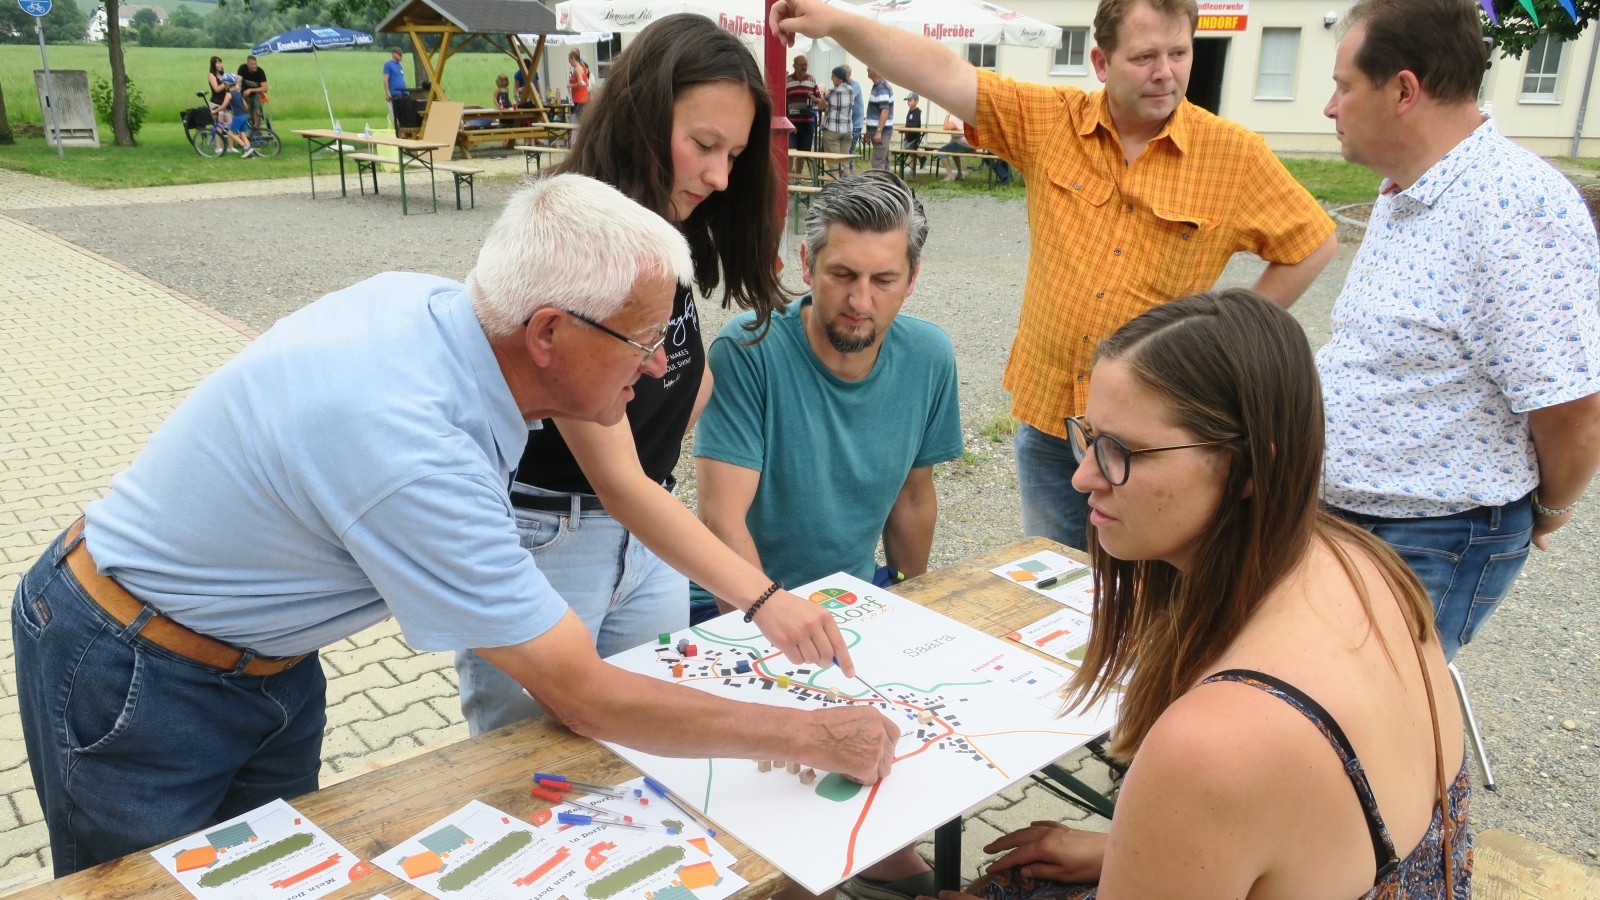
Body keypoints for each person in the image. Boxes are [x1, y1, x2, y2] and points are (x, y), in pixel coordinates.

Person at [11, 174, 899, 879]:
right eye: (641, 339)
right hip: (136, 669)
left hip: (264, 664)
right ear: (549, 329)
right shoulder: (411, 447)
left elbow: (626, 485)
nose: (661, 363)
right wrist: (811, 736)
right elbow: (582, 691)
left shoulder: (444, 312)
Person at [949, 290, 1470, 899]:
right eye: (1089, 437)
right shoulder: (1362, 562)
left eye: (1123, 452)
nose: (1083, 475)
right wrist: (1135, 851)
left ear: (1250, 469)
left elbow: (1241, 784)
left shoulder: (1213, 744)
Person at [770, 0, 1338, 553]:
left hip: (1152, 435)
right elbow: (942, 71)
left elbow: (1311, 242)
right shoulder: (1052, 121)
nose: (1165, 72)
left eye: (1179, 53)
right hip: (1050, 419)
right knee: (1058, 586)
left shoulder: (1232, 156)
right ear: (1101, 63)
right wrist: (838, 21)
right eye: (1144, 57)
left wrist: (1222, 341)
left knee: (1150, 595)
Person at [453, 14, 857, 745]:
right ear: (642, 116)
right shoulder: (585, 238)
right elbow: (617, 480)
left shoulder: (661, 228)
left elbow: (682, 377)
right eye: (704, 145)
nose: (720, 176)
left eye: (734, 154)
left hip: (646, 543)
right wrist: (763, 599)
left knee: (647, 761)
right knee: (530, 771)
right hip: (551, 536)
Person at [693, 170, 959, 900]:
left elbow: (913, 493)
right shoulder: (747, 351)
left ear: (912, 278)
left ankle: (877, 854)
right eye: (841, 274)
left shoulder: (930, 356)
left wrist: (913, 596)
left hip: (850, 594)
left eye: (883, 278)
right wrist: (764, 619)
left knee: (912, 734)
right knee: (773, 789)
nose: (860, 299)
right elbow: (722, 517)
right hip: (729, 603)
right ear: (805, 268)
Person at [1317, 0, 1600, 661]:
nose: (1330, 107)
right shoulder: (1408, 189)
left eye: (1344, 86)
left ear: (1404, 90)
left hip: (1433, 536)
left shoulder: (1514, 207)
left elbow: (1572, 408)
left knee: (1370, 722)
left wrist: (1550, 511)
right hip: (1363, 522)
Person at [786, 53, 822, 166]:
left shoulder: (812, 79)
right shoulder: (787, 80)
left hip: (807, 121)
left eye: (806, 65)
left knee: (803, 152)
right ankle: (789, 178)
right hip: (792, 123)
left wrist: (814, 98)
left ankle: (798, 177)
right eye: (801, 65)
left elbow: (819, 100)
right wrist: (788, 121)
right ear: (794, 66)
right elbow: (783, 102)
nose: (804, 67)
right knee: (790, 151)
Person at [819, 66, 855, 177]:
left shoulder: (833, 91)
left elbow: (821, 106)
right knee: (845, 161)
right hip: (847, 129)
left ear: (838, 78)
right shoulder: (851, 90)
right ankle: (848, 186)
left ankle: (836, 187)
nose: (831, 79)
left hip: (832, 129)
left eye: (832, 76)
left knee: (834, 163)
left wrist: (819, 99)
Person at [208, 73, 255, 157]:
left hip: (238, 117)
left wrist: (215, 111)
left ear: (227, 84)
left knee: (230, 133)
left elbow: (223, 106)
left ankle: (246, 148)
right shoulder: (238, 93)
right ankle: (249, 151)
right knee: (243, 135)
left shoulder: (228, 94)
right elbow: (246, 106)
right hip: (245, 116)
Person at [865, 67, 894, 171]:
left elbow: (885, 111)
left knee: (878, 164)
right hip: (879, 131)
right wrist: (869, 131)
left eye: (869, 67)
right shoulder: (878, 86)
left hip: (882, 132)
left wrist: (878, 131)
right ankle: (888, 185)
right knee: (883, 162)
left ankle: (879, 185)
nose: (867, 70)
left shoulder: (882, 87)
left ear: (875, 71)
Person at [236, 54, 268, 131]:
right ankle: (247, 126)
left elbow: (265, 88)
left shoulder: (260, 71)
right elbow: (239, 79)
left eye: (255, 64)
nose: (255, 66)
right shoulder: (242, 68)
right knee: (247, 111)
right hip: (245, 95)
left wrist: (251, 90)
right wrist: (238, 87)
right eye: (252, 64)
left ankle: (257, 127)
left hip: (256, 95)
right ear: (247, 65)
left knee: (257, 106)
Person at [845, 64, 865, 163]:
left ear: (848, 75)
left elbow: (849, 99)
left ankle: (849, 173)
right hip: (847, 124)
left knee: (849, 149)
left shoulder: (854, 85)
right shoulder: (842, 85)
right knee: (846, 150)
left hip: (856, 123)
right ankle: (848, 172)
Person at [568, 49, 591, 122]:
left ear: (573, 58)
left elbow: (580, 83)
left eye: (570, 60)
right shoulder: (582, 68)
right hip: (583, 98)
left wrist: (571, 85)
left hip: (579, 98)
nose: (569, 62)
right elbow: (586, 83)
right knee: (583, 120)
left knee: (581, 121)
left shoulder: (577, 69)